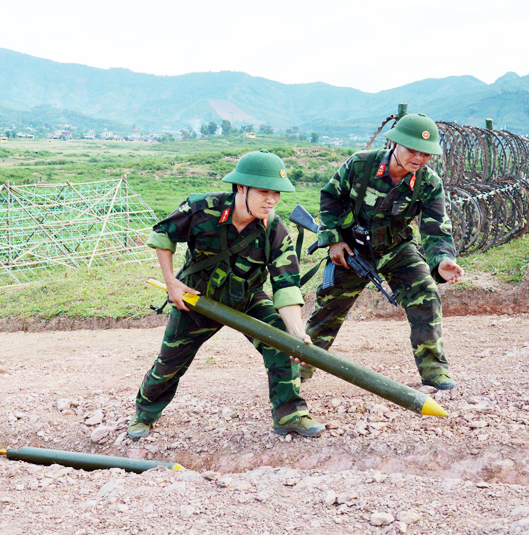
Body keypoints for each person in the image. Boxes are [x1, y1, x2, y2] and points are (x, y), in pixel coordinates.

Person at [128, 150, 325, 440]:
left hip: (247, 298)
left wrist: (296, 332)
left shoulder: (274, 229)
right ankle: (144, 415)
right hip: (197, 299)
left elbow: (287, 286)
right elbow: (162, 235)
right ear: (241, 188)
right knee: (170, 364)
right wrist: (171, 283)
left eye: (277, 194)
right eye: (264, 191)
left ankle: (291, 415)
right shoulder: (201, 208)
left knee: (283, 340)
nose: (271, 200)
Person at [302, 113, 465, 390]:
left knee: (425, 294)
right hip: (353, 250)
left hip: (396, 249)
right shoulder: (360, 164)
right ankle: (298, 370)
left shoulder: (428, 182)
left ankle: (435, 372)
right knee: (328, 310)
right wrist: (333, 240)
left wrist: (442, 260)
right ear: (394, 143)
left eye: (426, 153)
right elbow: (331, 196)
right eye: (412, 149)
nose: (419, 158)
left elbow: (436, 228)